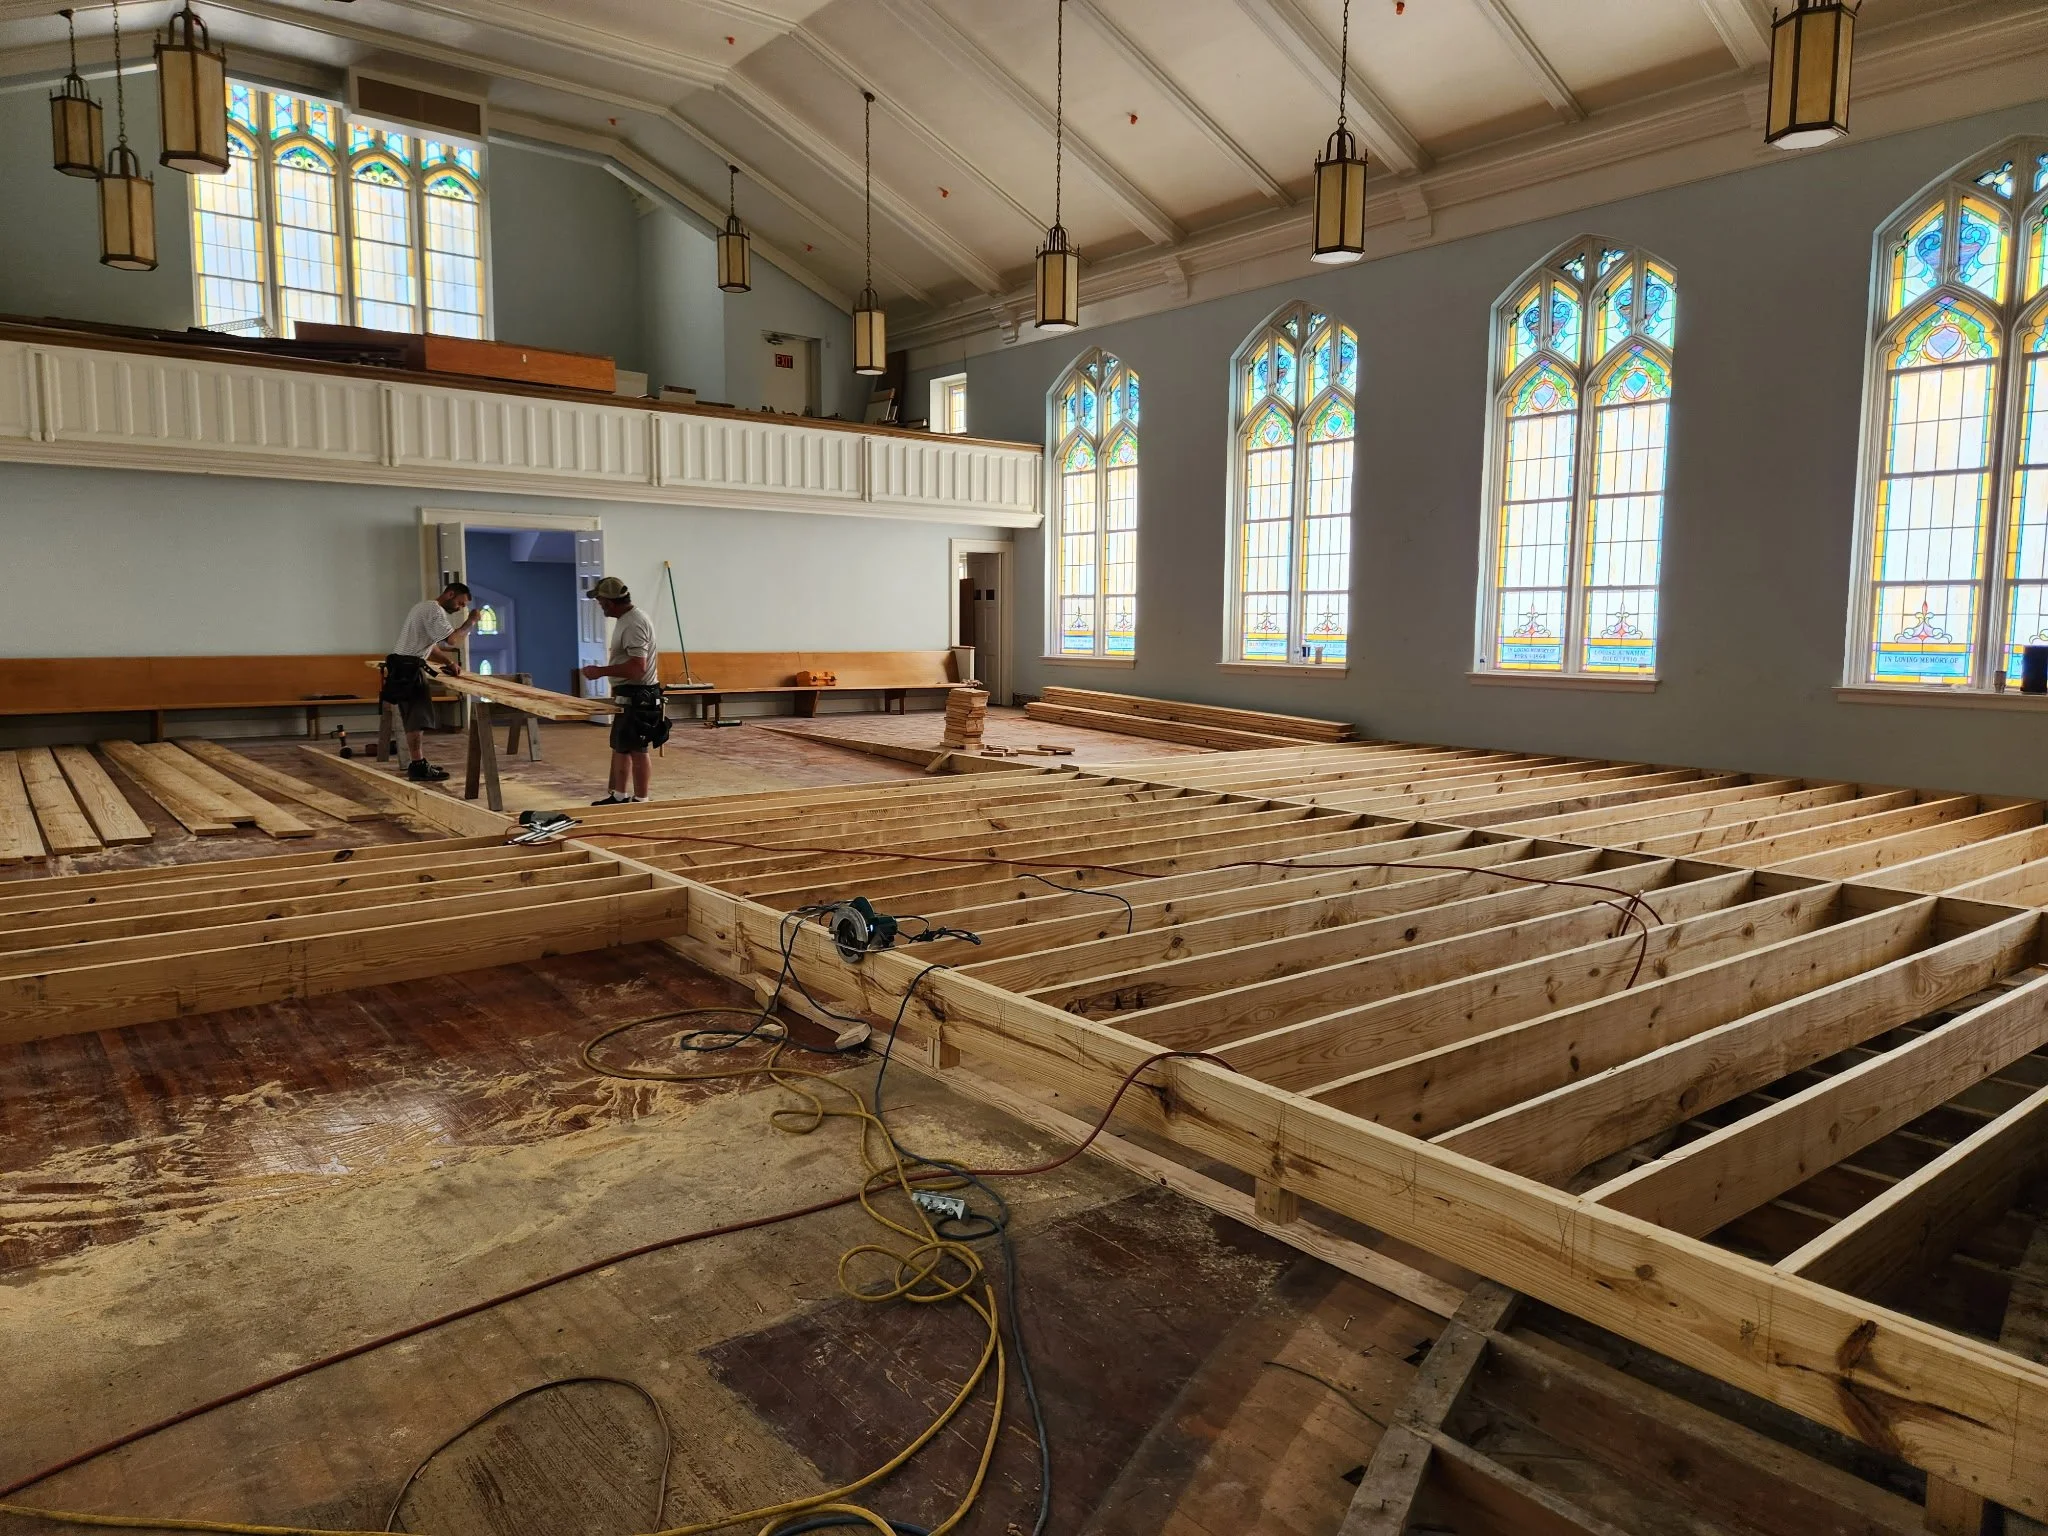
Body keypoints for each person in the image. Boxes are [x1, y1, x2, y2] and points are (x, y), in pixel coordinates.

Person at [581, 576, 668, 805]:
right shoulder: (625, 619)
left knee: (638, 749)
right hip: (629, 694)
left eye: (600, 602)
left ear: (609, 602)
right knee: (621, 746)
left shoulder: (633, 623)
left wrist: (601, 671)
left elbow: (638, 668)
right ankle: (619, 796)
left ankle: (641, 800)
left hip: (639, 696)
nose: (600, 606)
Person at [383, 582, 476, 783]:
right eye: (460, 603)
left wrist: (448, 662)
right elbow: (452, 640)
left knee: (414, 717)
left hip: (403, 665)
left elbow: (431, 646)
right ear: (450, 594)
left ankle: (418, 762)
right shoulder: (434, 610)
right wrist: (471, 622)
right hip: (409, 669)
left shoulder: (423, 607)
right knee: (416, 719)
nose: (460, 608)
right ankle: (418, 765)